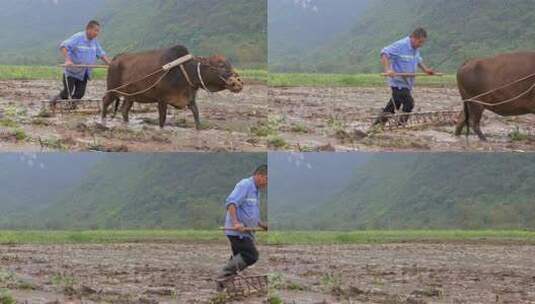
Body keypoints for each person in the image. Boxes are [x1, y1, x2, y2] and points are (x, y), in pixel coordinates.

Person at [217, 164, 268, 284]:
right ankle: (222, 277)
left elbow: (249, 212)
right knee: (251, 255)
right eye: (267, 179)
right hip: (237, 232)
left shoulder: (256, 190)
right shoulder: (245, 185)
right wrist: (236, 223)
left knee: (238, 258)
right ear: (259, 175)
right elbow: (231, 203)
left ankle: (225, 283)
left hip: (247, 232)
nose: (267, 183)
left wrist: (261, 224)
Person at [374, 27, 435, 125]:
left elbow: (418, 60)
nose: (421, 45)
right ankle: (400, 125)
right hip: (398, 82)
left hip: (407, 83)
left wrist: (426, 70)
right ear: (413, 38)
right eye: (420, 42)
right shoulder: (400, 45)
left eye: (422, 42)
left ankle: (377, 125)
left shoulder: (415, 49)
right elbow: (384, 53)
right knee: (409, 103)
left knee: (393, 106)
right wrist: (388, 70)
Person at [51, 20, 111, 107]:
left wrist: (110, 64)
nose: (97, 33)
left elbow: (101, 53)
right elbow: (63, 46)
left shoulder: (94, 41)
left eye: (98, 31)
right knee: (67, 92)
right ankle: (53, 102)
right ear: (88, 29)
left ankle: (71, 107)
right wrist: (68, 60)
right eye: (95, 30)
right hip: (72, 71)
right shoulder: (78, 37)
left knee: (80, 94)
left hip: (84, 73)